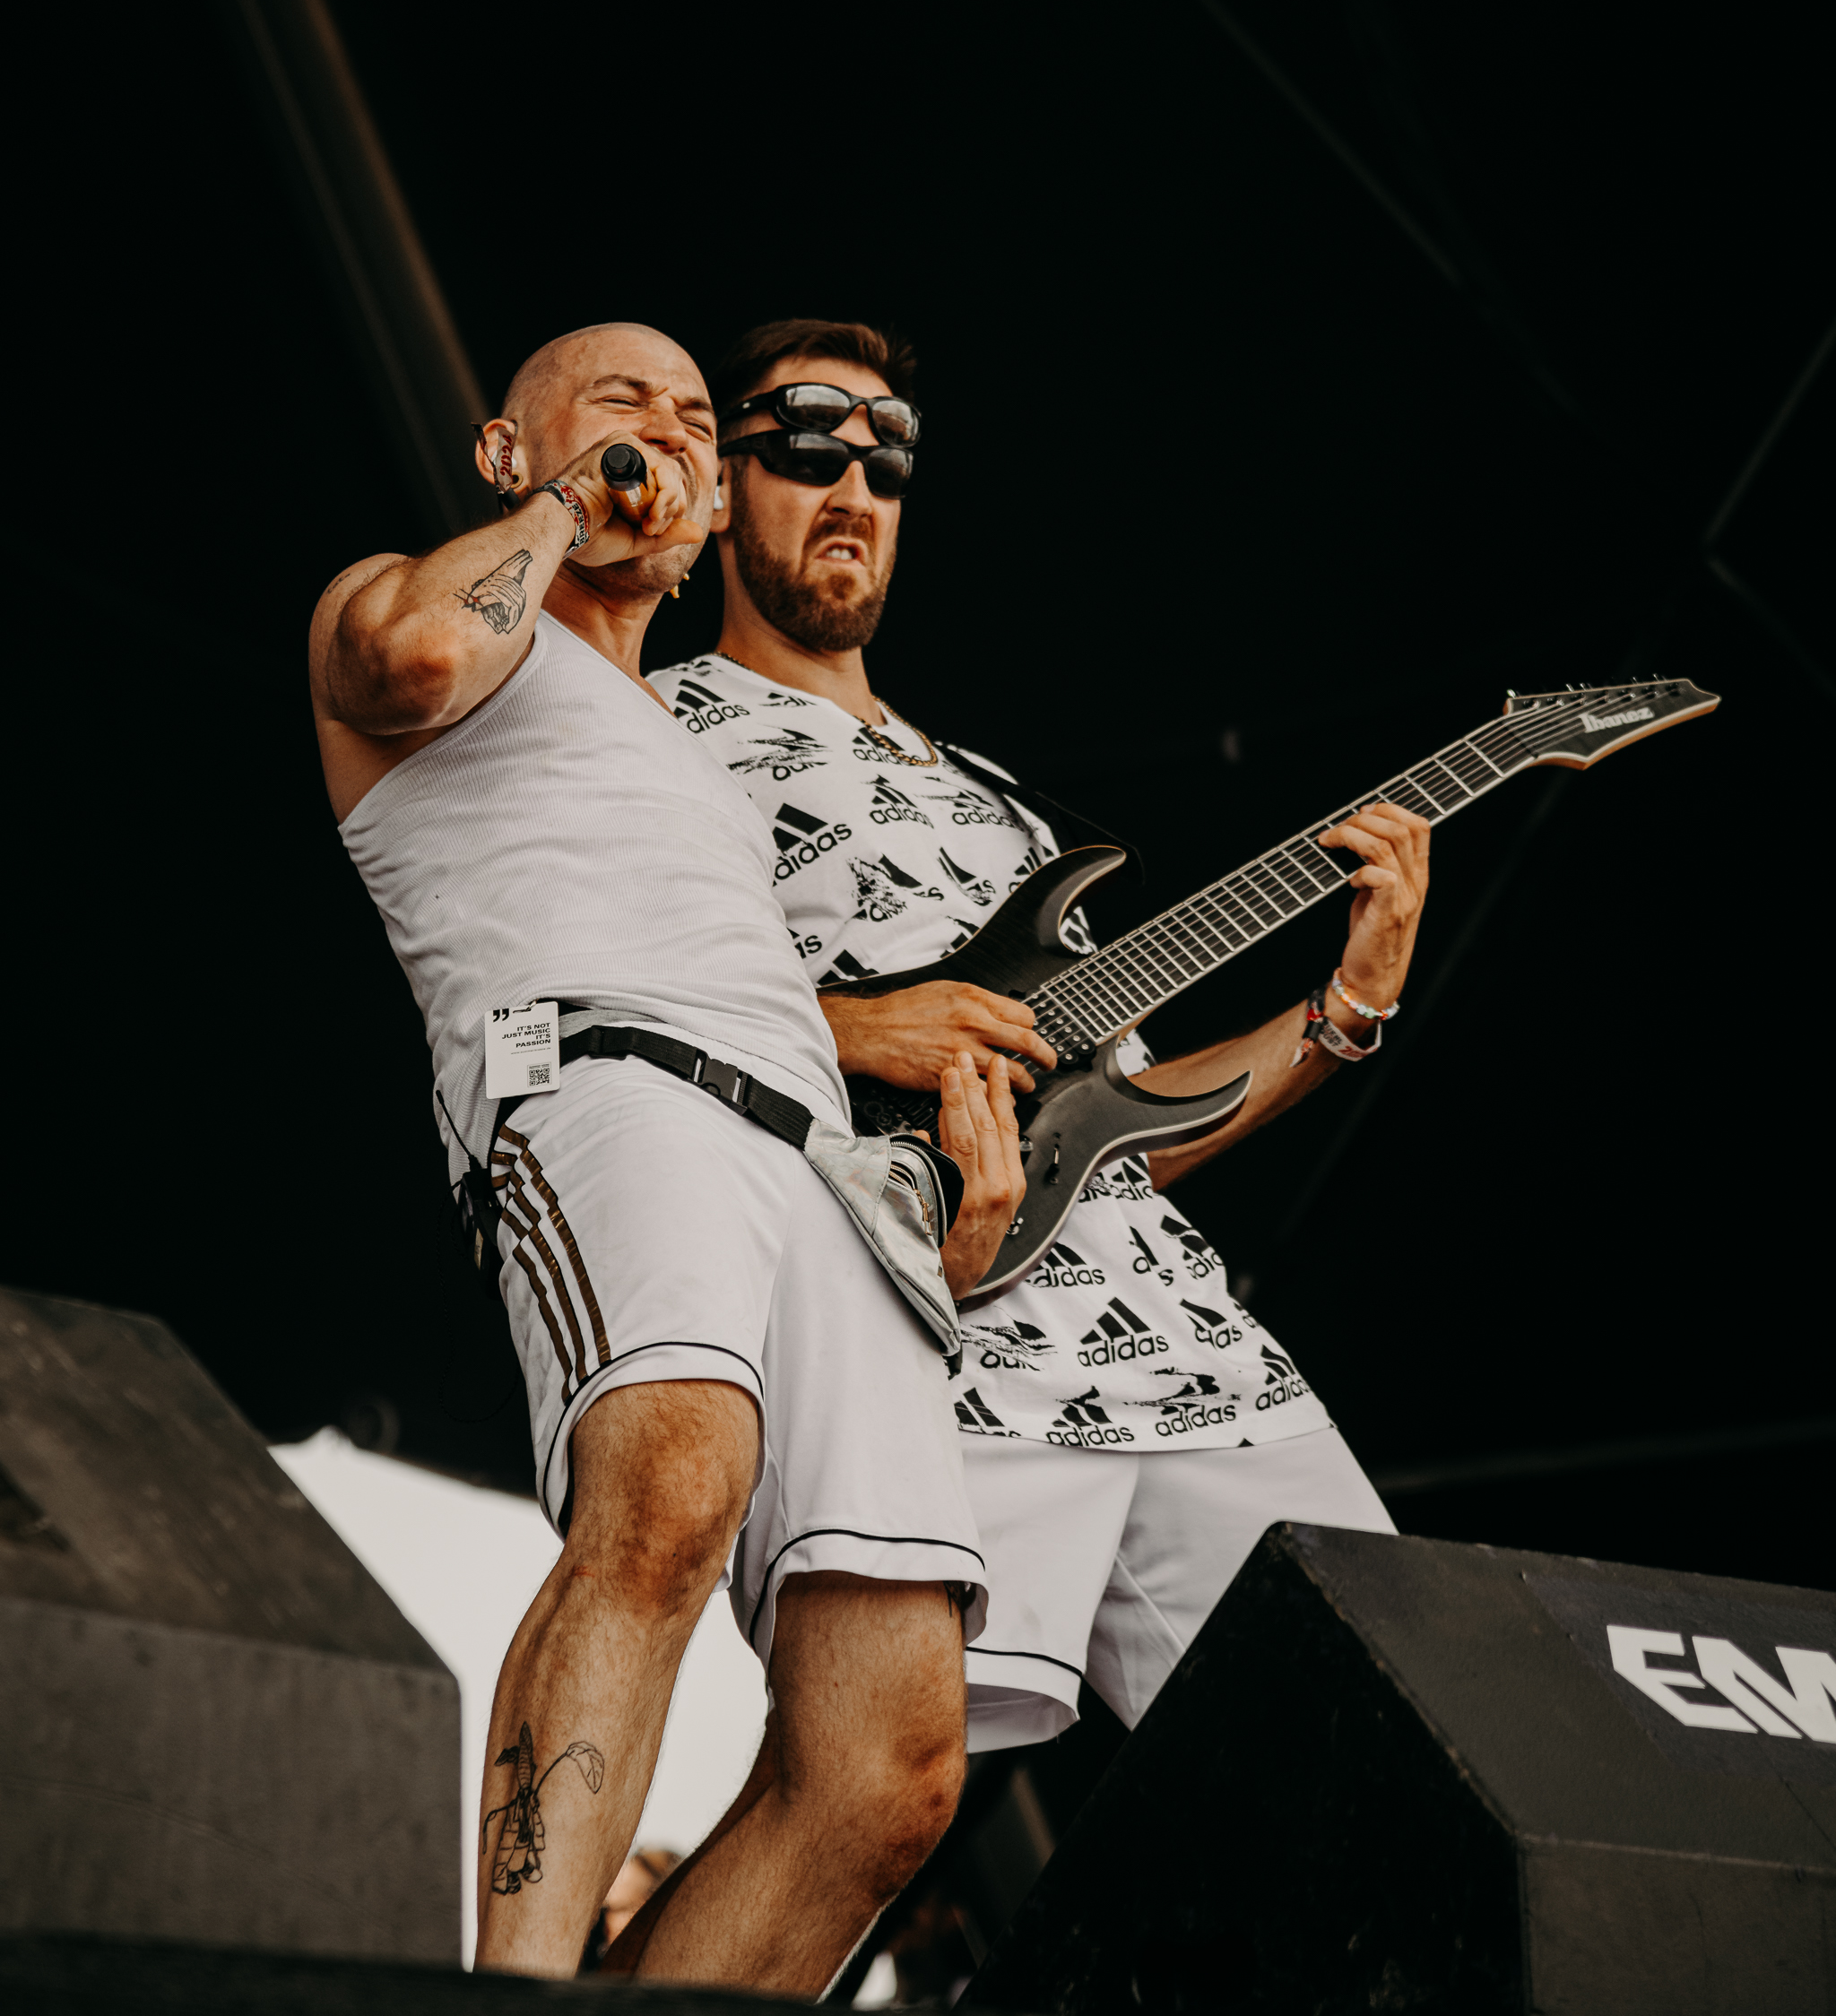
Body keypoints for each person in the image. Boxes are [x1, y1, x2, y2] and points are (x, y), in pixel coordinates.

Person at [307, 321, 1026, 1988]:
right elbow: (410, 659)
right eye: (627, 401)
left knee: (893, 1762)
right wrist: (573, 503)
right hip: (610, 1090)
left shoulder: (699, 747)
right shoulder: (426, 611)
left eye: (697, 422)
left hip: (826, 1181)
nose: (672, 434)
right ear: (508, 449)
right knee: (669, 1497)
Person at [650, 316, 1430, 1757]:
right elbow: (608, 1026)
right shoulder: (654, 734)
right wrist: (853, 1026)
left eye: (886, 462)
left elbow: (1125, 1128)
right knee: (868, 1807)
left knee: (1397, 1765)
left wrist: (1346, 1009)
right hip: (939, 1352)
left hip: (1193, 1358)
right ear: (715, 490)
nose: (852, 488)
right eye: (806, 447)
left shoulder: (1000, 802)